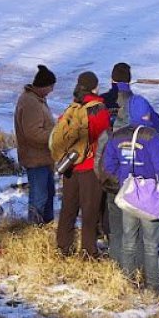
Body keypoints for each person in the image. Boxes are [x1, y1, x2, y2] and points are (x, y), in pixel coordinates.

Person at [103, 95, 159, 294]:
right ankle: (153, 288)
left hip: (129, 194)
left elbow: (108, 164)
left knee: (128, 241)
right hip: (148, 196)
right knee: (151, 245)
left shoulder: (117, 135)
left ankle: (128, 283)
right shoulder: (151, 136)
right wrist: (157, 183)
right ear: (147, 112)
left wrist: (124, 177)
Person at [55, 71, 110, 258]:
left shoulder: (72, 107)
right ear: (95, 87)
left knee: (68, 209)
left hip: (70, 166)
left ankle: (63, 247)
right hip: (89, 167)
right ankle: (88, 251)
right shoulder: (99, 109)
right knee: (90, 211)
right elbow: (103, 134)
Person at [14, 64, 57, 224]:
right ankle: (35, 228)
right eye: (51, 86)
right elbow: (33, 134)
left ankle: (45, 225)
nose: (52, 90)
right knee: (39, 197)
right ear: (43, 86)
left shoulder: (37, 100)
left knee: (48, 194)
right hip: (36, 159)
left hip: (43, 158)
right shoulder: (31, 103)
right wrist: (56, 136)